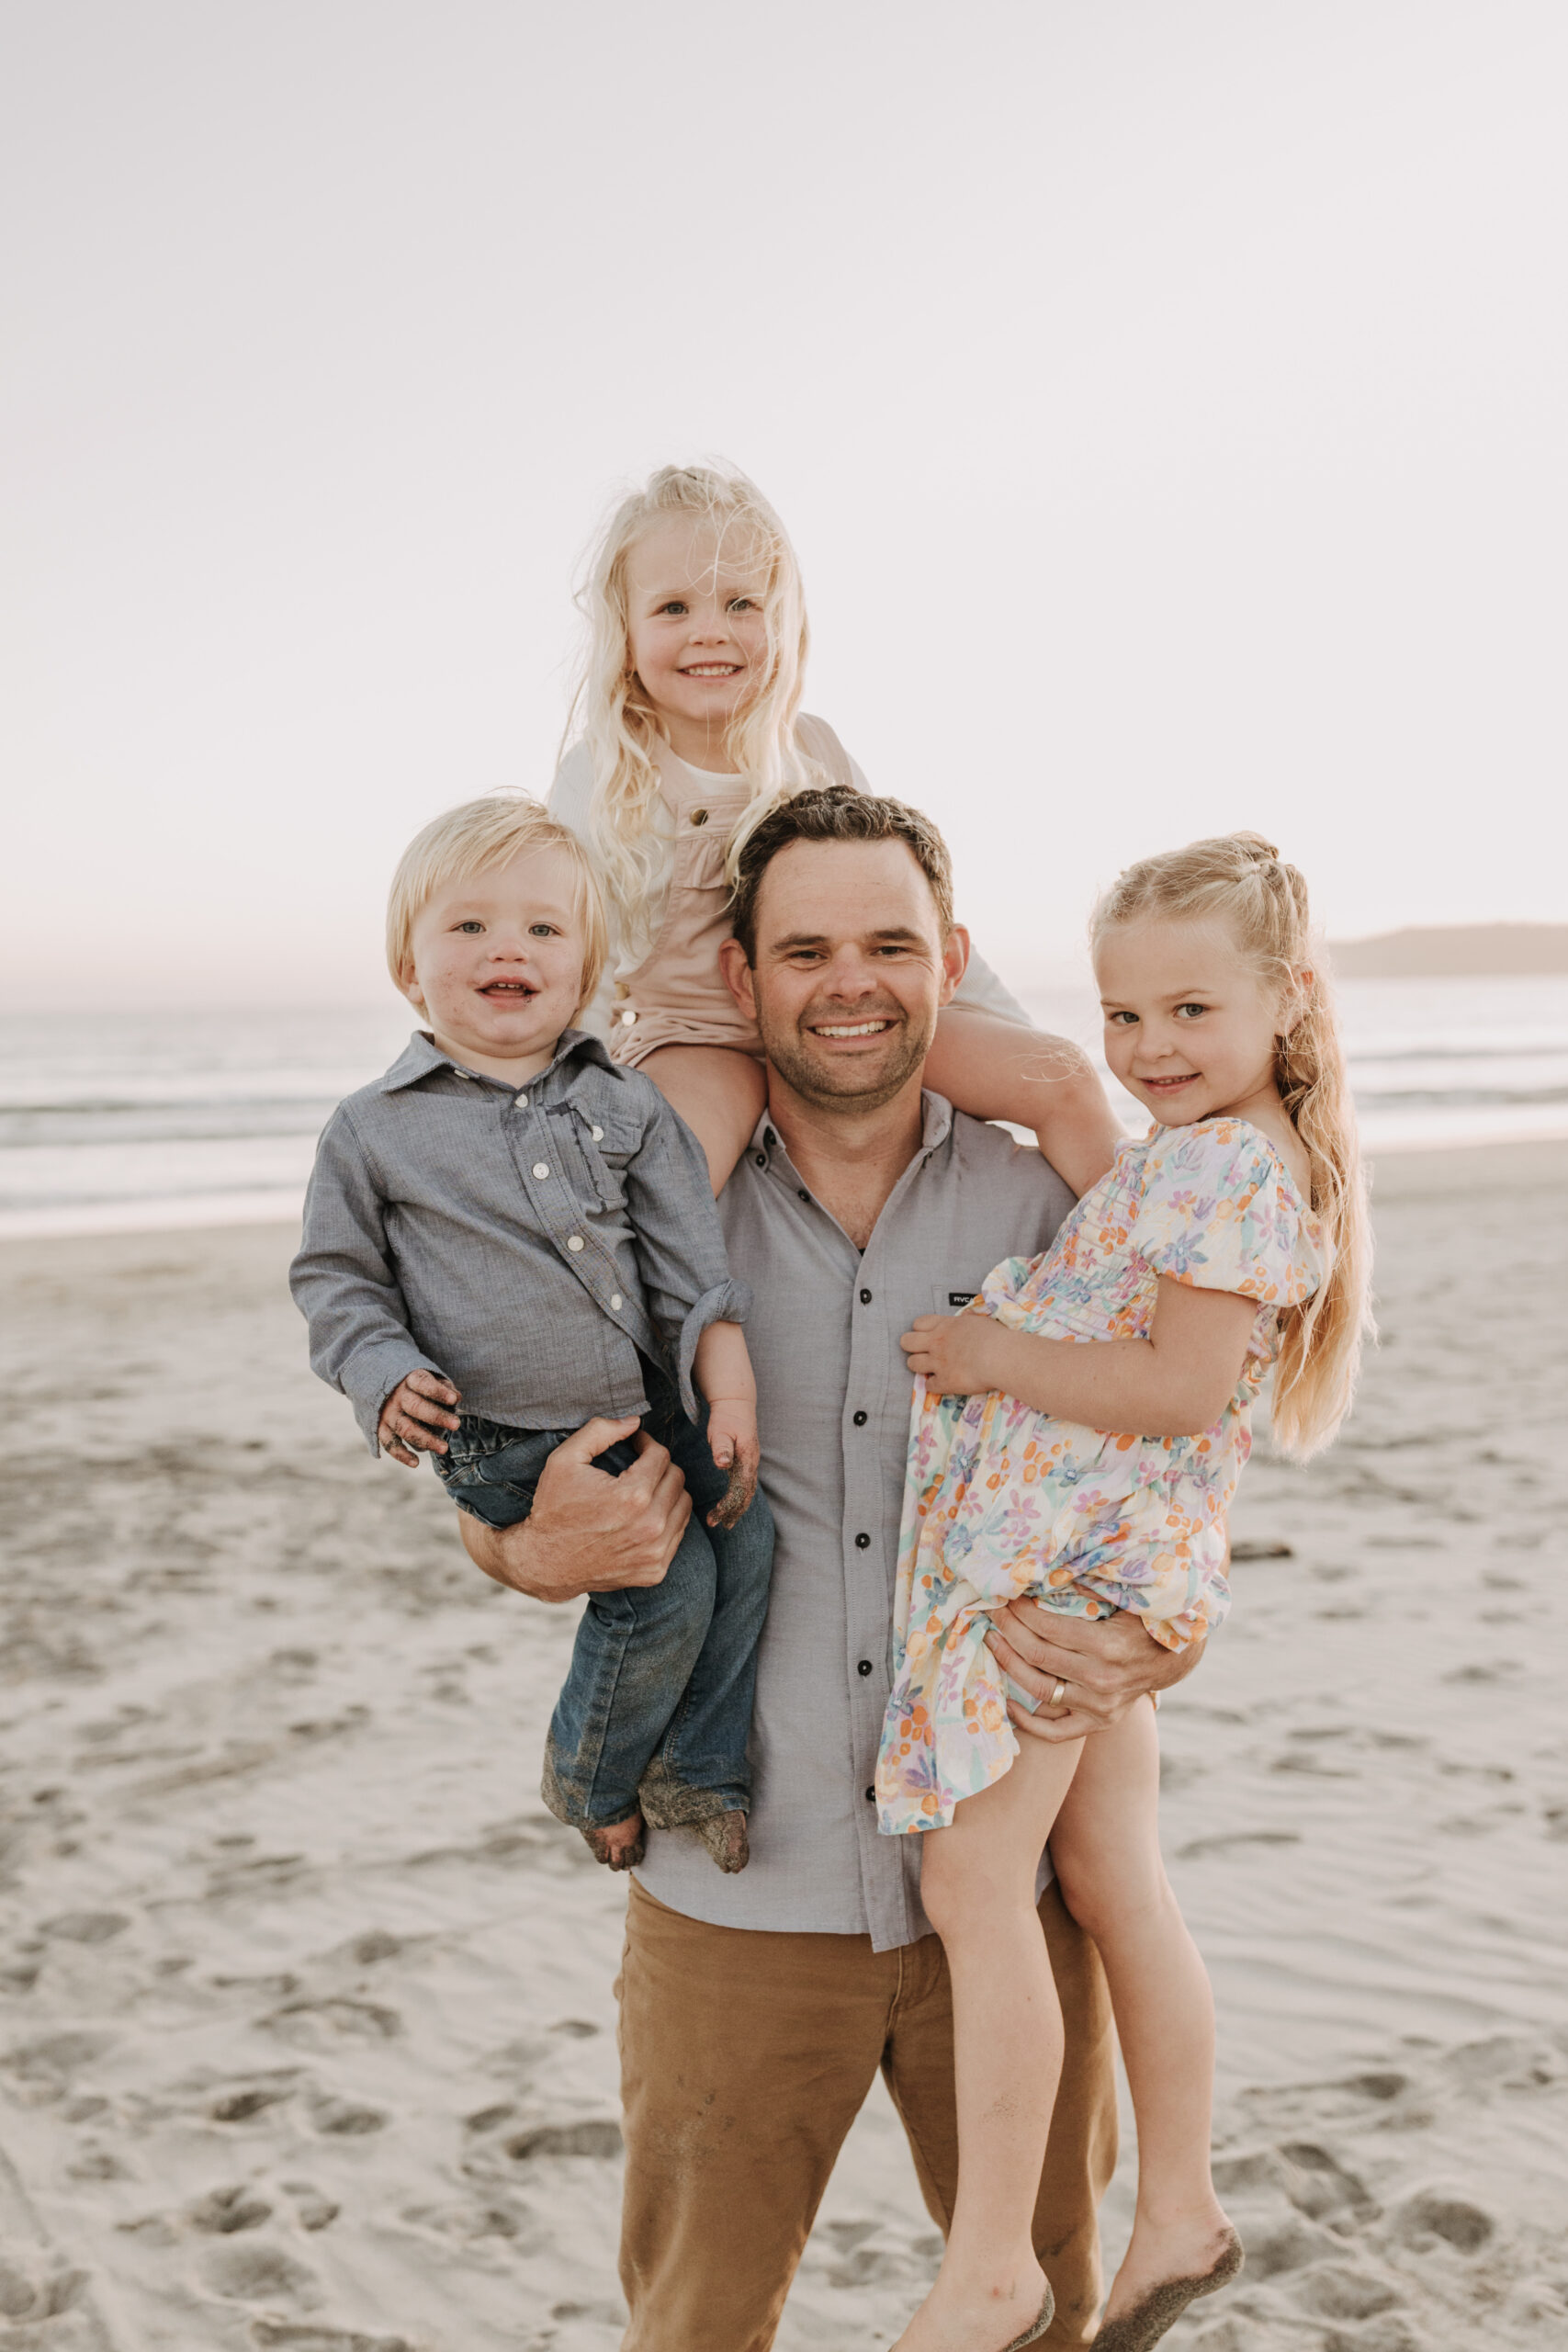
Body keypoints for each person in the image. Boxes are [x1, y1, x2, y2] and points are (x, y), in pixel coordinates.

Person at [458, 786, 1207, 2350]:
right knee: (694, 2323)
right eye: (804, 949)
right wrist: (524, 1548)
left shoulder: (1065, 1210)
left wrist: (1158, 1643)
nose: (847, 981)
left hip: (1008, 1904)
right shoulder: (640, 1224)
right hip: (734, 1898)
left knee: (1049, 2314)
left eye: (886, 943)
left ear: (949, 959)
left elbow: (1186, 1449)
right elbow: (499, 1483)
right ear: (739, 981)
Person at [878, 833, 1373, 2352]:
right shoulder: (1214, 1154)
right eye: (1122, 1015)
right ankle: (1176, 2209)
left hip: (1062, 1580)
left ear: (1283, 1002)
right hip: (1114, 1571)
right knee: (1111, 1886)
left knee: (969, 1887)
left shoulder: (1222, 1163)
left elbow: (1175, 1388)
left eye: (1187, 1013)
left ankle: (993, 2270)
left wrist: (987, 1354)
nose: (1149, 1048)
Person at [289, 796, 773, 1876]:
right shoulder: (372, 1128)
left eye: (544, 930)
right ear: (409, 968)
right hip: (498, 1434)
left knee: (750, 1540)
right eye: (468, 927)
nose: (508, 945)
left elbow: (693, 1260)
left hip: (649, 1403)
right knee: (668, 1584)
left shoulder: (629, 1105)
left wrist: (726, 1389)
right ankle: (590, 1771)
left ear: (587, 969)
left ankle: (696, 1764)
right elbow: (337, 1278)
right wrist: (382, 1375)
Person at [547, 460, 1123, 1193]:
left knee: (1062, 1075)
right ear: (624, 634)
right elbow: (577, 963)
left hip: (845, 1017)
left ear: (782, 621)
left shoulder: (811, 751)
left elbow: (905, 907)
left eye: (740, 604)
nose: (709, 633)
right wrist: (566, 1100)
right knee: (675, 1173)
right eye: (672, 609)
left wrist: (1012, 1031)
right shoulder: (602, 772)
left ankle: (1136, 1257)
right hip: (701, 1041)